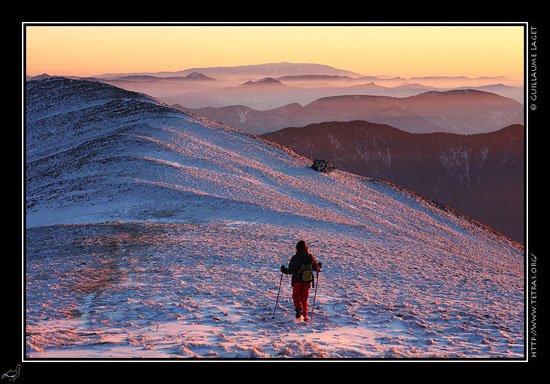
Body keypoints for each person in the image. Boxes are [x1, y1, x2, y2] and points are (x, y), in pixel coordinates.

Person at [281, 240, 322, 321]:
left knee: (296, 296)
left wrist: (284, 270)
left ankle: (298, 309)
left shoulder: (295, 257)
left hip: (297, 280)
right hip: (308, 281)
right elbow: (315, 267)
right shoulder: (310, 256)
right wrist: (318, 267)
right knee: (304, 298)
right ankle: (305, 315)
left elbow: (291, 270)